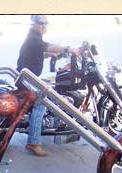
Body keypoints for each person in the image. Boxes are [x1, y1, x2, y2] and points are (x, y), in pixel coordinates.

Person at [16, 15, 78, 157]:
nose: (44, 26)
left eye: (46, 23)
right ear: (33, 24)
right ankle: (33, 143)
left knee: (51, 87)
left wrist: (49, 55)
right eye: (41, 23)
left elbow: (38, 52)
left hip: (29, 77)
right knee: (41, 102)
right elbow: (48, 45)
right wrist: (69, 49)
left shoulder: (34, 38)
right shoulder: (34, 38)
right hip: (27, 80)